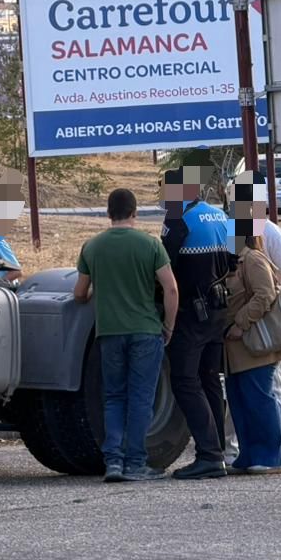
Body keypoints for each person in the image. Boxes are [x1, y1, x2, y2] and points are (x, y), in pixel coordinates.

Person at [74, 188, 180, 483]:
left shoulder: (92, 246)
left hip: (110, 332)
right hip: (146, 330)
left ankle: (114, 463)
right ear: (135, 212)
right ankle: (136, 463)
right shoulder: (150, 244)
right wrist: (169, 325)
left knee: (114, 397)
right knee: (141, 399)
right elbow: (171, 289)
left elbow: (79, 293)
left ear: (108, 214)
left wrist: (101, 290)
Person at [161, 164, 234, 480]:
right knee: (209, 381)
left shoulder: (178, 220)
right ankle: (217, 451)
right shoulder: (220, 216)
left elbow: (163, 266)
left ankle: (208, 455)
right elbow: (234, 260)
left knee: (186, 382)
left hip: (191, 313)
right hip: (218, 310)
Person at [233, 171, 281, 436]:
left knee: (274, 388)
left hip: (264, 325)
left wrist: (271, 320)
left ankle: (275, 447)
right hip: (244, 326)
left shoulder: (271, 233)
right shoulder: (238, 229)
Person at [223, 225, 281, 475]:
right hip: (237, 349)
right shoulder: (236, 261)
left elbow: (265, 294)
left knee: (260, 398)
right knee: (240, 400)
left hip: (255, 345)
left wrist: (241, 322)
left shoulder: (253, 258)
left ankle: (270, 457)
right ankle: (248, 453)